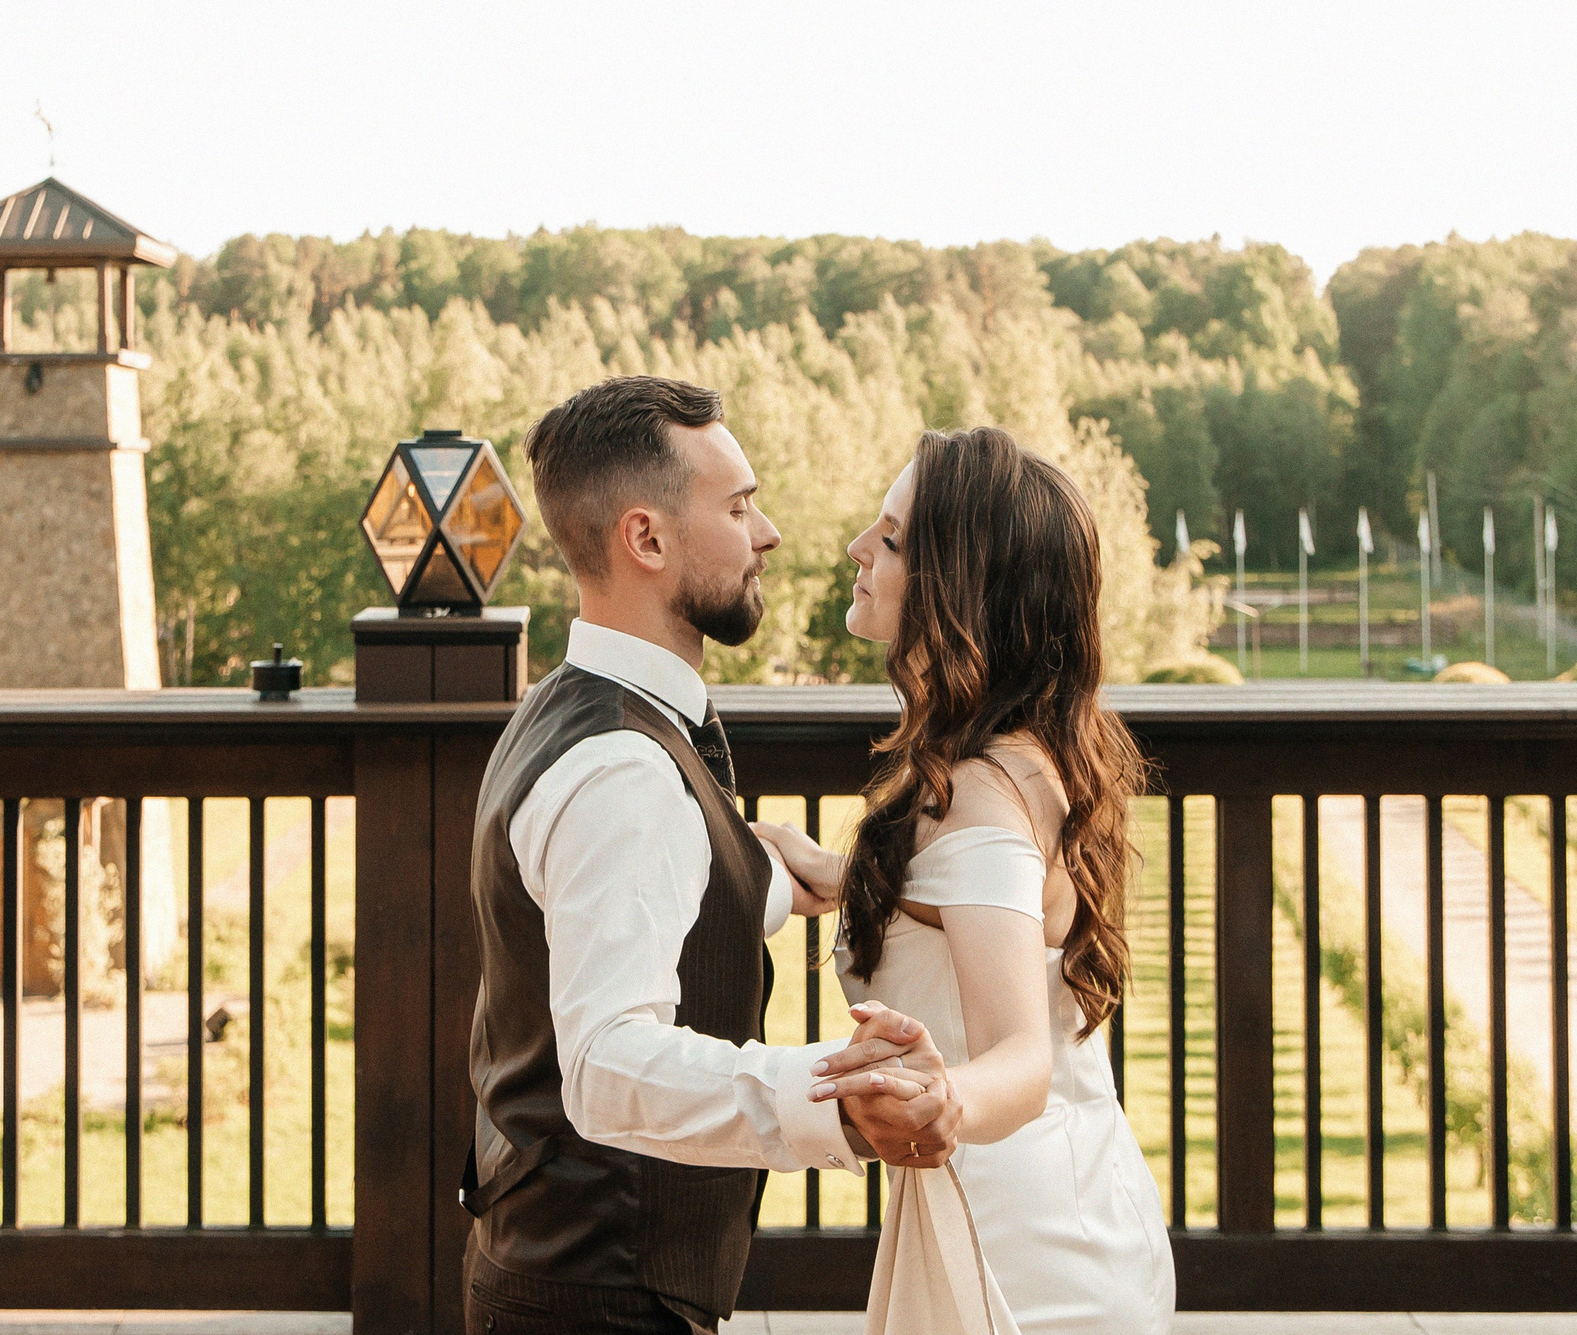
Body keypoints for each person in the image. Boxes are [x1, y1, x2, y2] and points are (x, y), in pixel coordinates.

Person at [464, 374, 957, 1335]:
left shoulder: (570, 710)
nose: (766, 530)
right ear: (646, 539)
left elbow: (647, 895)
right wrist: (841, 1104)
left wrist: (778, 881)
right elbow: (606, 1062)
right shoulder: (622, 770)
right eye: (737, 506)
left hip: (561, 1271)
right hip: (597, 1301)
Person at [756, 426, 1177, 1335]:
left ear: (963, 588)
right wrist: (842, 875)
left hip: (1025, 1260)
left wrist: (948, 1099)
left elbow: (1021, 1055)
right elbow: (966, 909)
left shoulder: (982, 794)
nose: (857, 551)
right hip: (1041, 1206)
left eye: (893, 537)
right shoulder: (997, 764)